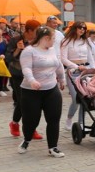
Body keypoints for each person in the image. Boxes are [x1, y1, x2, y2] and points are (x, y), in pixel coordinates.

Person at [17, 26, 66, 157]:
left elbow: (59, 64)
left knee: (54, 119)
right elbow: (26, 68)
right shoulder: (29, 51)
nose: (54, 41)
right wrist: (32, 80)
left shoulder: (52, 50)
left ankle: (53, 147)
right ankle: (26, 140)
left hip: (51, 89)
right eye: (53, 38)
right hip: (31, 91)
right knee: (31, 120)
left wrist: (62, 79)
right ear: (46, 38)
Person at [5, 20, 43, 140]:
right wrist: (17, 49)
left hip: (34, 75)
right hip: (18, 75)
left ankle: (31, 129)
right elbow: (8, 58)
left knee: (34, 104)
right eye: (37, 31)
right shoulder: (15, 40)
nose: (39, 33)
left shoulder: (38, 42)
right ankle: (15, 123)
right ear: (29, 30)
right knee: (23, 102)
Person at [60, 21, 95, 130]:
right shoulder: (66, 41)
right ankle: (69, 119)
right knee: (76, 98)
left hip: (85, 71)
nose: (82, 30)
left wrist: (93, 70)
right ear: (75, 28)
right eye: (80, 28)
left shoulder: (85, 41)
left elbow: (90, 58)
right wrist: (75, 66)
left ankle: (81, 123)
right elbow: (63, 58)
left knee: (85, 98)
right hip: (73, 72)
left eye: (84, 28)